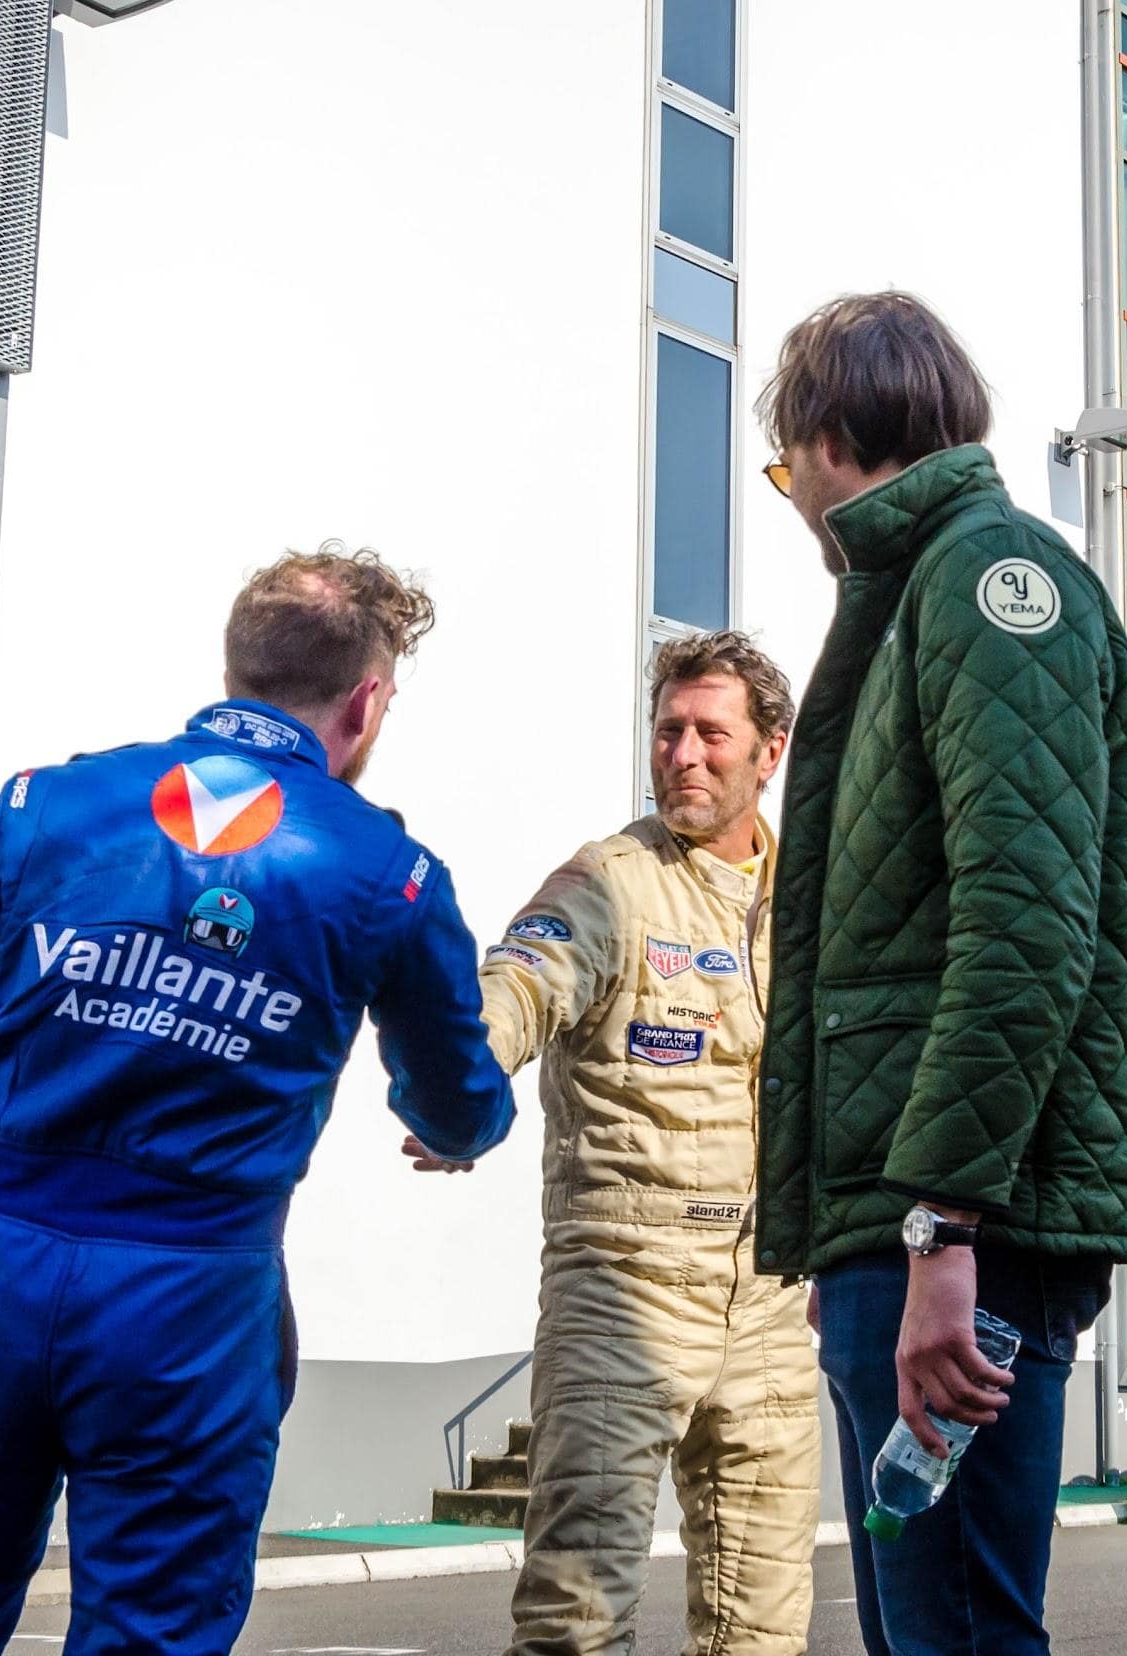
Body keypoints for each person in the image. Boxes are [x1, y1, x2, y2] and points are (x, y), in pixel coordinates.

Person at [0, 546, 516, 1656]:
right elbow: (457, 1098)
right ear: (367, 699)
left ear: (235, 664)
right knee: (149, 1640)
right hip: (188, 1301)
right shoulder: (387, 873)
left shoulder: (42, 805)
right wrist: (458, 1132)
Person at [751, 291, 1127, 1655]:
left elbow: (1027, 922)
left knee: (956, 1633)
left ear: (831, 435)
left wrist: (942, 1231)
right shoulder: (917, 596)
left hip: (965, 1228)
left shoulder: (986, 581)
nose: (791, 500)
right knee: (933, 1630)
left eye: (787, 469)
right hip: (923, 1220)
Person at [414, 632, 820, 1656]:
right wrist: (461, 1084)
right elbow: (518, 985)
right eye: (667, 730)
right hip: (622, 1286)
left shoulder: (817, 899)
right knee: (576, 1617)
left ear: (768, 752)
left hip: (772, 1301)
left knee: (762, 1629)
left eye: (709, 734)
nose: (683, 753)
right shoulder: (609, 881)